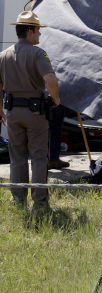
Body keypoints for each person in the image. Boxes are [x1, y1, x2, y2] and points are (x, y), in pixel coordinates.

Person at [0, 11, 60, 209]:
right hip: (35, 112)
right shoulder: (37, 54)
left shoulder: (4, 55)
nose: (40, 35)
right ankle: (40, 202)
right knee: (38, 156)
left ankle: (17, 199)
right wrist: (56, 99)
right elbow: (50, 79)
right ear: (30, 32)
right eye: (38, 31)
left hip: (12, 112)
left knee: (16, 156)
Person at [47, 104, 69, 169]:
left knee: (55, 128)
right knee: (55, 127)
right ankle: (53, 159)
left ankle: (53, 158)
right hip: (54, 100)